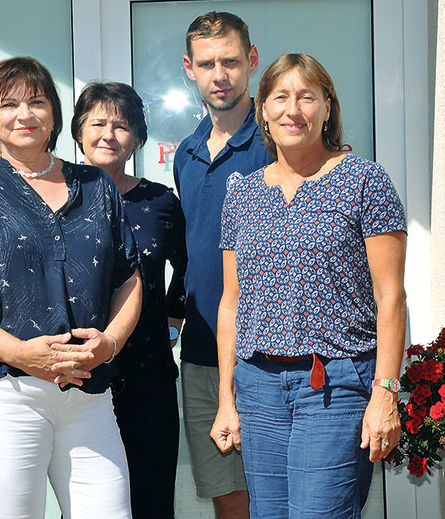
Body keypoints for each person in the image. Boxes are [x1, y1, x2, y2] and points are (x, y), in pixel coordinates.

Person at [0, 57, 142, 519]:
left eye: (37, 102)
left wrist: (110, 343)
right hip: (3, 391)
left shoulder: (96, 185)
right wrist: (20, 354)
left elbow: (128, 278)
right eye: (9, 104)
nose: (25, 115)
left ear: (56, 116)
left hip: (87, 391)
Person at [212, 53, 407, 518]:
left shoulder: (364, 181)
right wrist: (227, 398)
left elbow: (391, 298)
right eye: (280, 97)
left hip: (336, 384)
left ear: (327, 107)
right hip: (258, 387)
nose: (292, 110)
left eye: (306, 96)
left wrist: (385, 393)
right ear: (263, 109)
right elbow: (230, 305)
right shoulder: (242, 191)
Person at [173, 11, 271, 518]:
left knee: (280, 494)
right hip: (203, 350)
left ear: (251, 61)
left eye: (231, 61)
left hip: (271, 352)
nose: (220, 75)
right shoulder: (186, 154)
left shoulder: (277, 142)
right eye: (208, 63)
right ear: (189, 68)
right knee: (229, 499)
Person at [71, 81, 183, 519]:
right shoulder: (58, 198)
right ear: (79, 131)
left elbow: (194, 269)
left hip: (148, 378)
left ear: (137, 137)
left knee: (152, 501)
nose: (108, 134)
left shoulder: (159, 202)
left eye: (122, 125)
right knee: (87, 505)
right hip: (77, 379)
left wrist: (173, 318)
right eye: (97, 123)